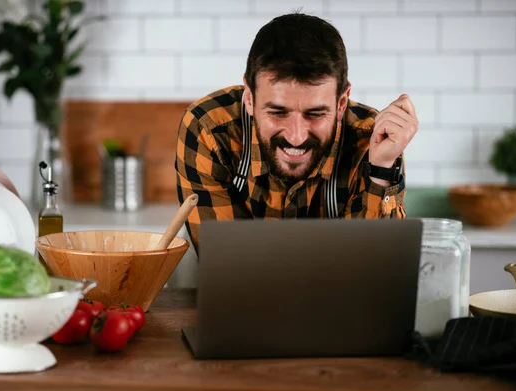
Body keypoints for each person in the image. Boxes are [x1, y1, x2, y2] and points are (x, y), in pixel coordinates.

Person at [175, 12, 419, 252]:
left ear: (341, 103)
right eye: (278, 112)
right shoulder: (209, 131)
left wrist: (381, 169)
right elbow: (226, 263)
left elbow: (372, 271)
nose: (296, 137)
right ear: (249, 98)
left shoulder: (374, 141)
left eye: (315, 114)